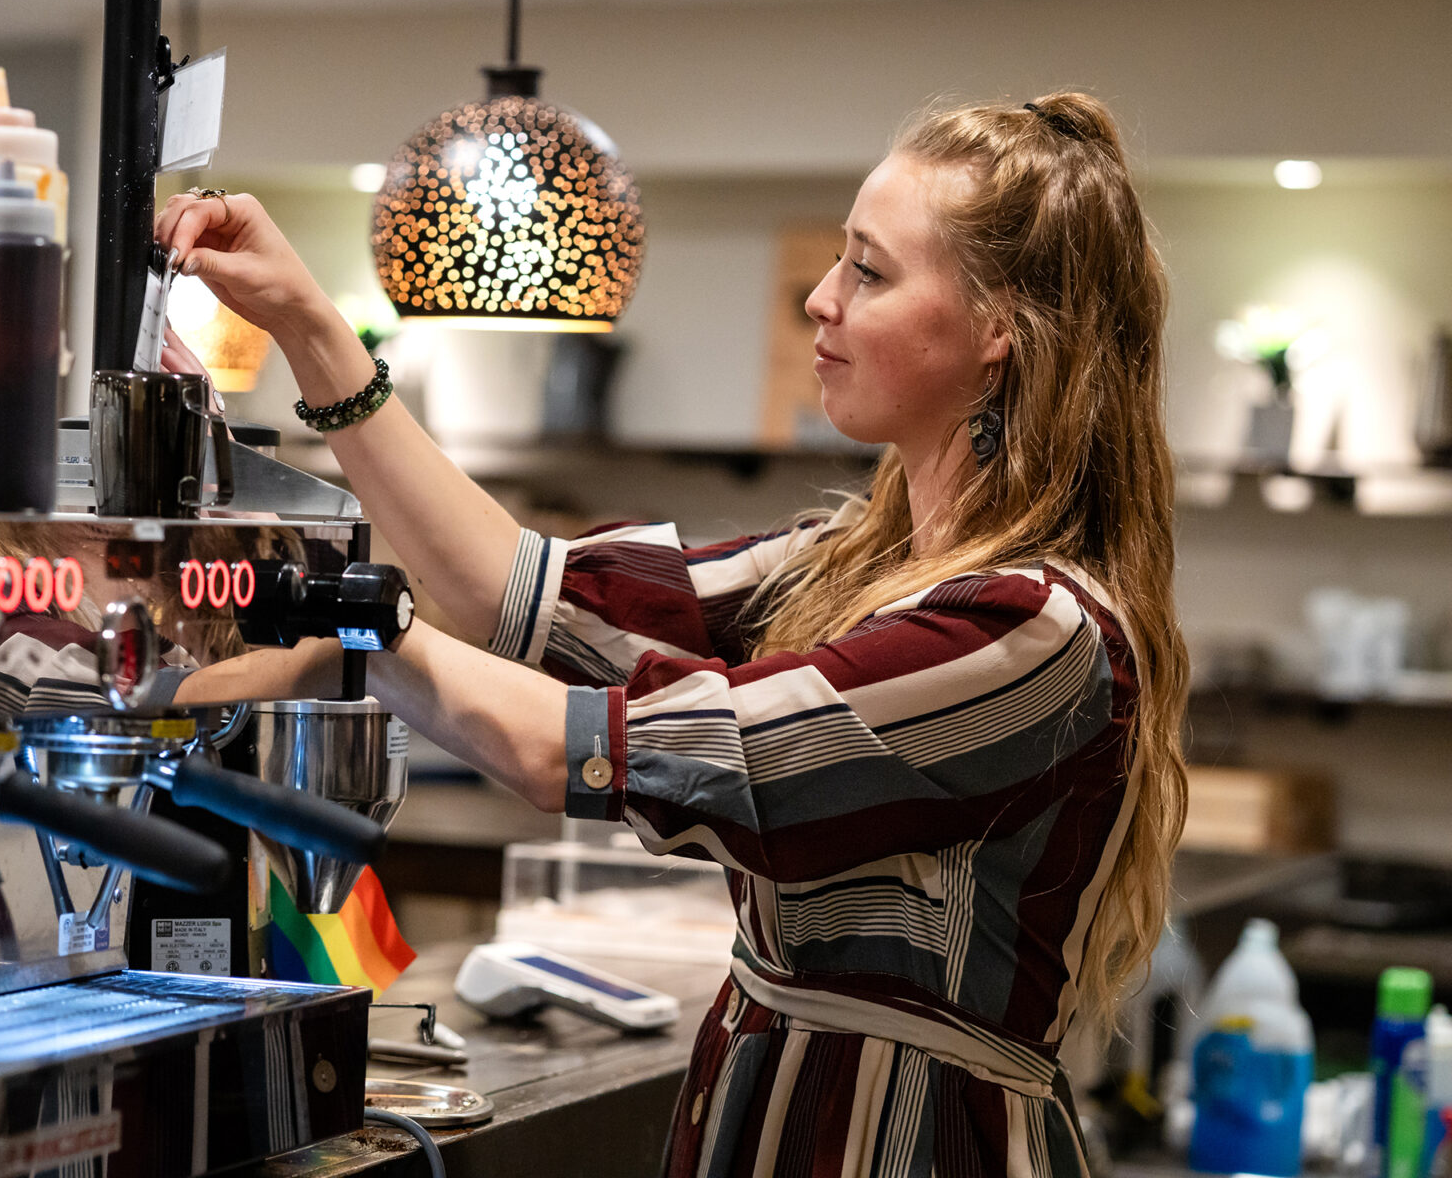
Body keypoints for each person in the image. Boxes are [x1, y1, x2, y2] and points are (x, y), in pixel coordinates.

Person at [162, 92, 1188, 1178]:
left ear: (998, 335)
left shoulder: (1034, 631)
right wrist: (309, 326)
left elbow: (592, 744)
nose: (819, 299)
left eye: (870, 273)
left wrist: (341, 629)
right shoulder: (851, 562)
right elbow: (523, 593)